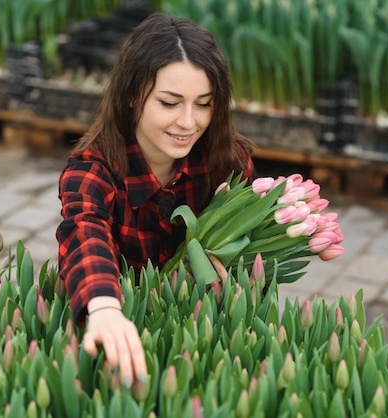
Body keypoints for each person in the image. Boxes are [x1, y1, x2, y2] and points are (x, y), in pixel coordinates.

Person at [56, 13, 255, 389]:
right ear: (133, 96)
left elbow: (253, 246)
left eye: (204, 104)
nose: (188, 122)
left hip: (202, 339)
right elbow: (85, 230)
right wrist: (103, 307)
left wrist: (297, 235)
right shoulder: (93, 169)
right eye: (170, 103)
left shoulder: (228, 162)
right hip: (119, 331)